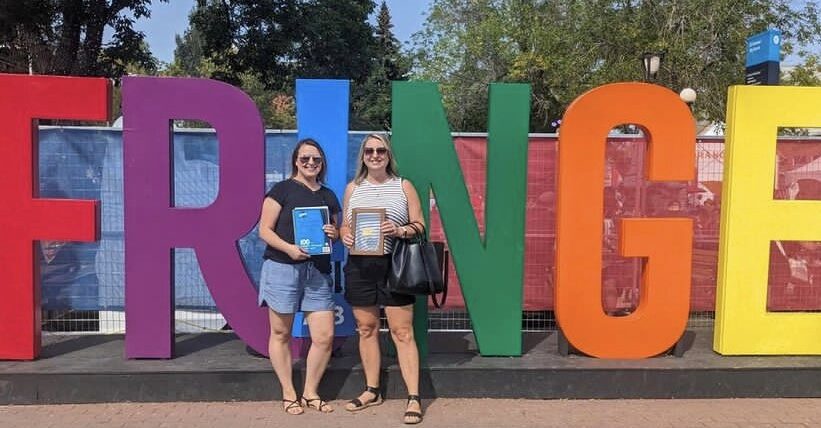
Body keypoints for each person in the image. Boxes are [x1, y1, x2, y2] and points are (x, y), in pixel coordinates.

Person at [339, 133, 425, 425]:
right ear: (362, 155)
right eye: (369, 151)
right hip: (359, 266)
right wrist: (344, 234)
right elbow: (345, 227)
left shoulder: (404, 186)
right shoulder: (353, 188)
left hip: (395, 265)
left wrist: (399, 230)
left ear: (389, 155)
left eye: (381, 151)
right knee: (366, 328)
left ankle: (414, 396)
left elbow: (420, 225)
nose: (375, 155)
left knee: (403, 332)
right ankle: (371, 390)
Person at [257, 138, 340, 415]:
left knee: (325, 336)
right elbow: (265, 230)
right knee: (280, 333)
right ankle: (289, 393)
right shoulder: (281, 191)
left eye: (316, 159)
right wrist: (289, 249)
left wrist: (334, 234)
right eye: (305, 158)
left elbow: (337, 233)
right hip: (282, 268)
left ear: (322, 163)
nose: (311, 163)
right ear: (296, 160)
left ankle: (310, 392)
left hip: (318, 272)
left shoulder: (328, 196)